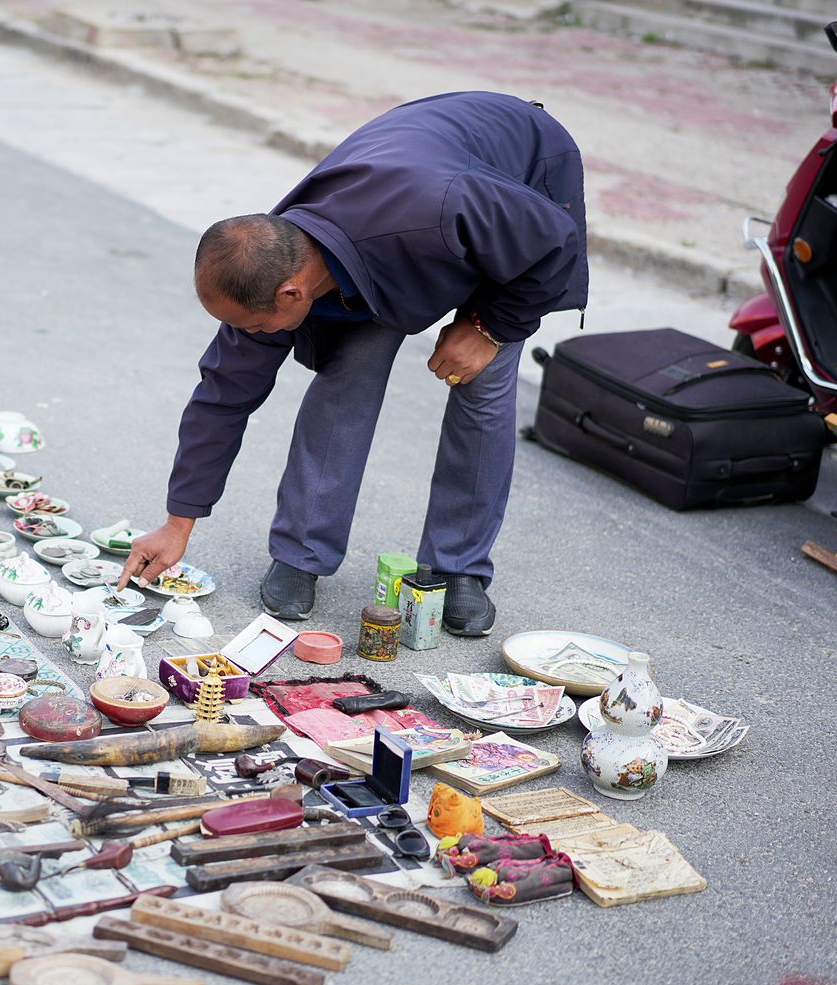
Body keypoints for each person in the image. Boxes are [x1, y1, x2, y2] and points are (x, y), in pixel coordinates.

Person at [117, 91, 588, 635]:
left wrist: (489, 328)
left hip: (515, 186)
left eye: (251, 325)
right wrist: (179, 523)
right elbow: (224, 393)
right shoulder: (274, 263)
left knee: (480, 382)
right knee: (350, 370)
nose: (246, 336)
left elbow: (555, 240)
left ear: (293, 294)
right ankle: (301, 555)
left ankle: (460, 568)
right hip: (395, 233)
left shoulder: (439, 206)